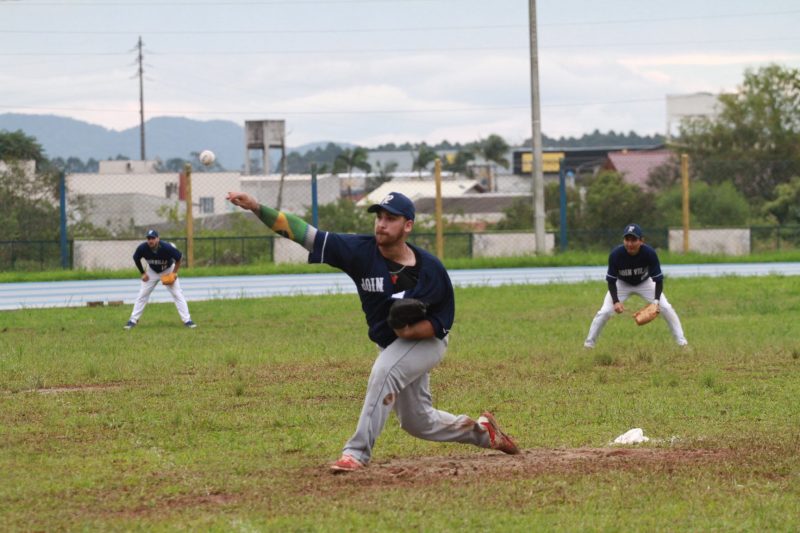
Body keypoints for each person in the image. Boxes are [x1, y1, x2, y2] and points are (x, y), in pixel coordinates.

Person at [226, 190, 520, 473]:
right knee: (418, 422)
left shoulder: (431, 269)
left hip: (427, 341)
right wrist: (256, 207)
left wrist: (411, 331)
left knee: (383, 373)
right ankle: (483, 432)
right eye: (379, 216)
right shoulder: (359, 251)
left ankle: (356, 452)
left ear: (407, 226)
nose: (381, 223)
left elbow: (442, 321)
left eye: (390, 218)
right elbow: (304, 233)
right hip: (391, 344)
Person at [584, 223, 687, 348]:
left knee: (666, 308)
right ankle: (589, 345)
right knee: (604, 312)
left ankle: (682, 343)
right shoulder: (616, 254)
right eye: (627, 239)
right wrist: (616, 301)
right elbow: (611, 281)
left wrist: (655, 302)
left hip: (645, 282)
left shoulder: (649, 253)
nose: (630, 243)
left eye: (634, 240)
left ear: (641, 241)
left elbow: (658, 280)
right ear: (624, 240)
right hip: (621, 284)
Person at [123, 229, 196, 329]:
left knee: (177, 294)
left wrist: (174, 273)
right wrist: (142, 273)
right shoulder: (142, 248)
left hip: (168, 269)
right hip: (152, 271)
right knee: (142, 294)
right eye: (148, 238)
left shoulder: (166, 247)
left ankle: (187, 320)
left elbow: (179, 258)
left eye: (153, 238)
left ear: (158, 238)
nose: (150, 240)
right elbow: (136, 258)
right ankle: (133, 320)